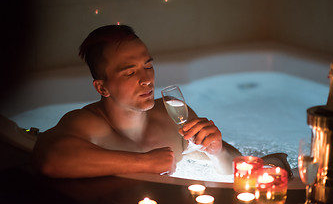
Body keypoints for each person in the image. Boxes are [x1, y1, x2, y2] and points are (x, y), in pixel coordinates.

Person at [32, 25, 242, 178]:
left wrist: (217, 151)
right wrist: (144, 162)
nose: (146, 80)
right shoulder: (89, 123)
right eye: (130, 72)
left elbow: (233, 169)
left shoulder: (171, 115)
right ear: (102, 88)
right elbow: (51, 159)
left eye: (148, 66)